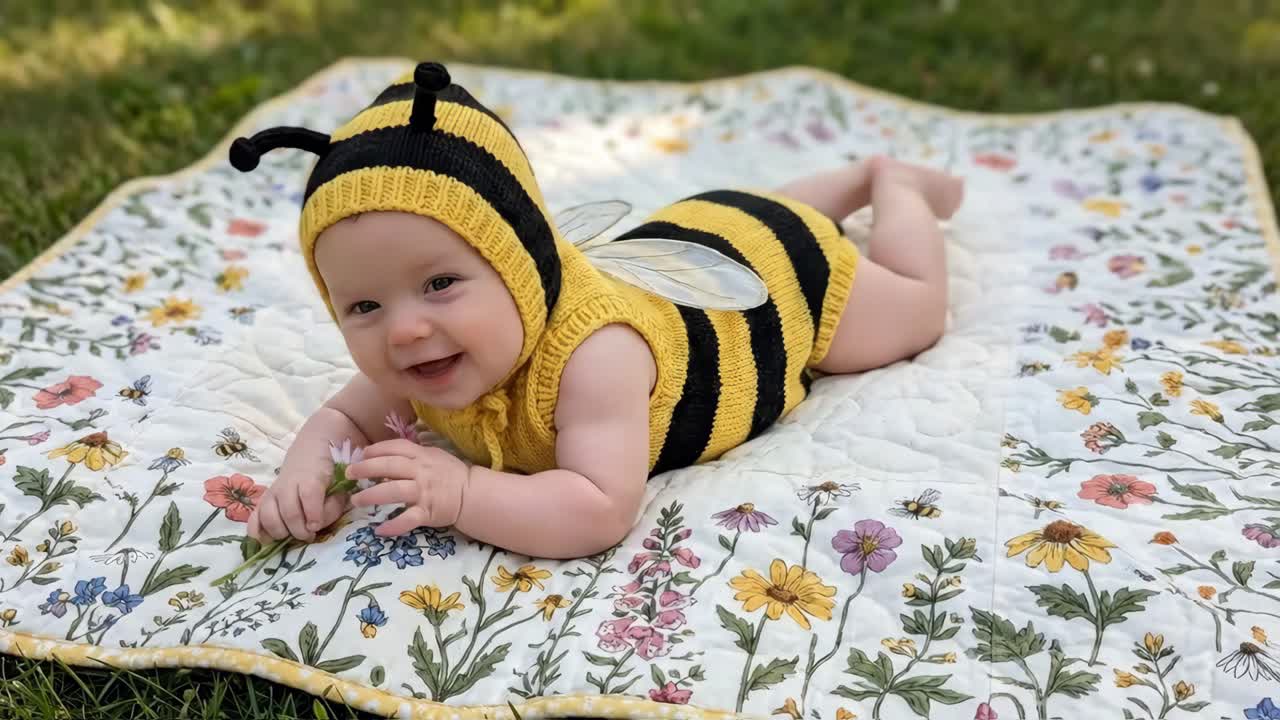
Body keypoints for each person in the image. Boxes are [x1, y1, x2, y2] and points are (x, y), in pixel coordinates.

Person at [228, 61, 962, 559]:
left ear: (521, 266)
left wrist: (461, 490)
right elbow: (341, 421)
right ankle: (835, 185)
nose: (405, 327)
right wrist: (303, 474)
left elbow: (599, 509)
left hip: (777, 290)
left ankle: (891, 185)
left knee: (916, 311)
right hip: (695, 230)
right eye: (362, 304)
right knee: (745, 211)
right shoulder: (420, 352)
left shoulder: (596, 356)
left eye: (441, 283)